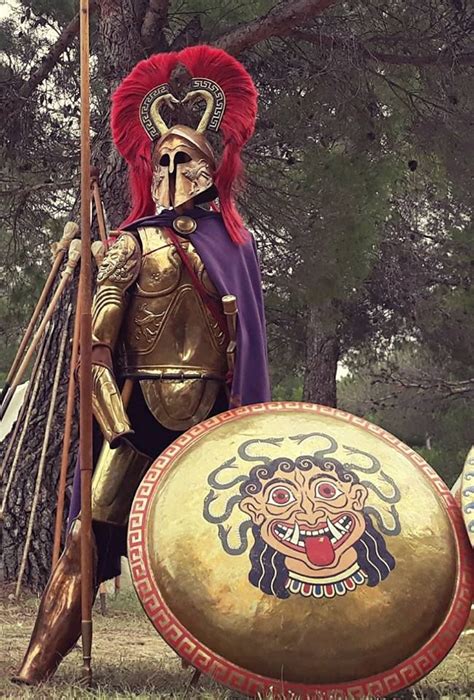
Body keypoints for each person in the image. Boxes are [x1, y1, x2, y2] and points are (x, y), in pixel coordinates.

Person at [14, 45, 270, 685]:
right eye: (165, 158)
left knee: (221, 535)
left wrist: (245, 419)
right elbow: (96, 347)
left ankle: (232, 659)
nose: (175, 167)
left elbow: (248, 346)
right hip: (134, 411)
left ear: (213, 167)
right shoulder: (130, 244)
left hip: (212, 416)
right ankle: (42, 656)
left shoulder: (236, 247)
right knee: (91, 527)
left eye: (188, 159)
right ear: (150, 165)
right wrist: (111, 420)